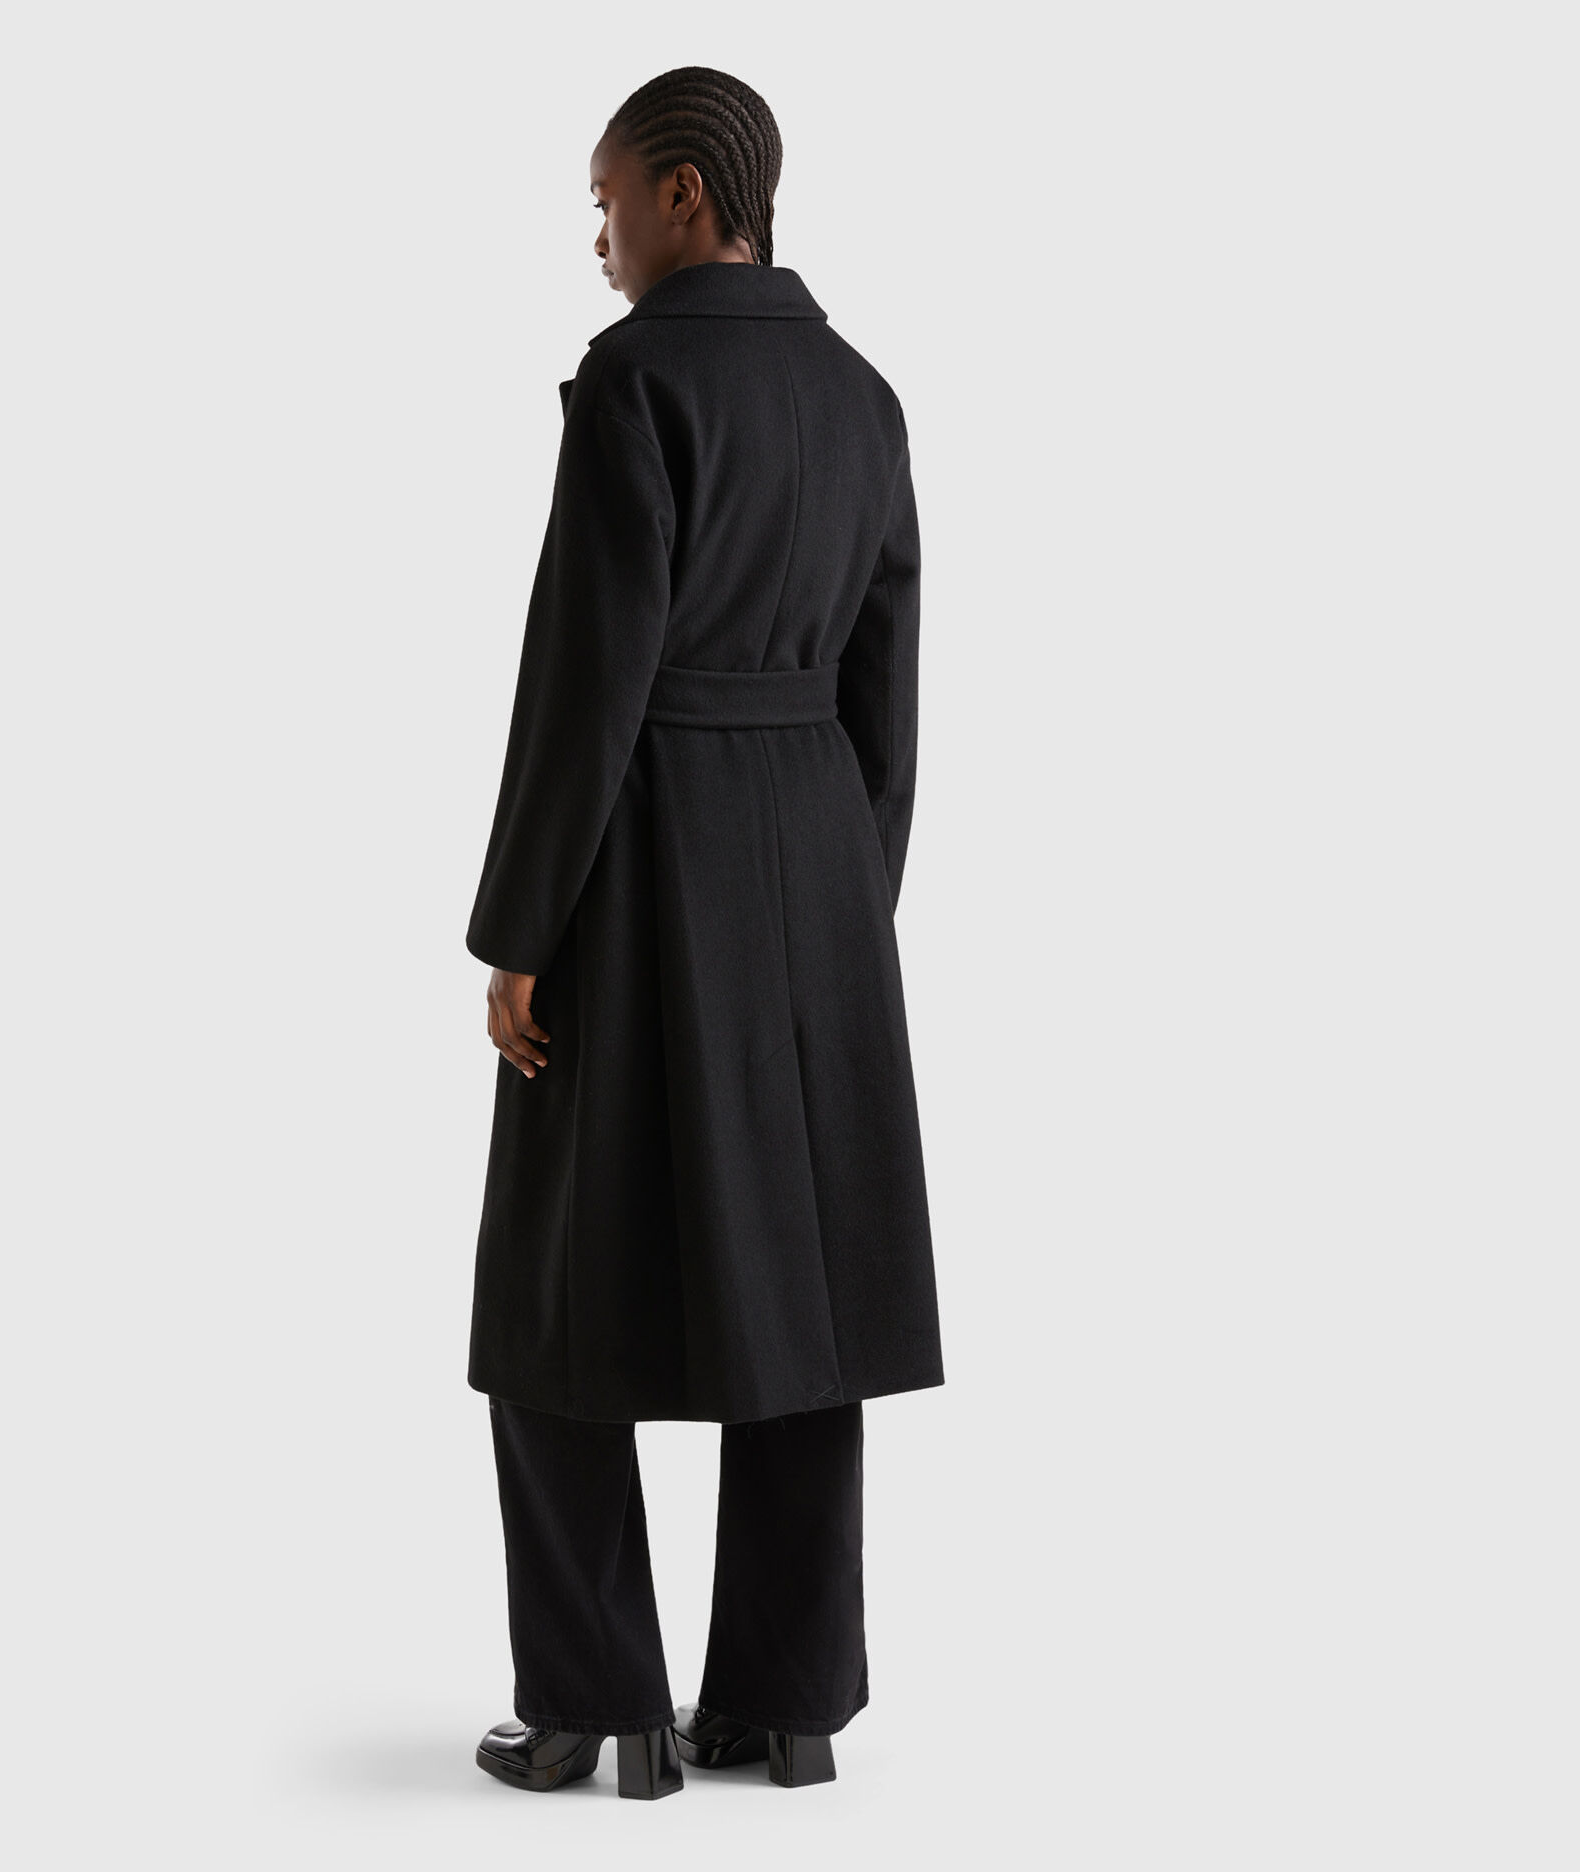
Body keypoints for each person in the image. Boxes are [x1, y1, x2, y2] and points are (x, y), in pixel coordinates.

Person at [464, 66, 941, 1801]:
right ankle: (785, 1702)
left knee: (553, 1286)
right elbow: (889, 685)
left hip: (644, 854)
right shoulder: (863, 395)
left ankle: (599, 1701)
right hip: (817, 876)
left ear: (683, 191)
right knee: (802, 1293)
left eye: (606, 199)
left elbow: (584, 680)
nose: (597, 236)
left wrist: (521, 929)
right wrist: (850, 901)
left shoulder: (636, 381)